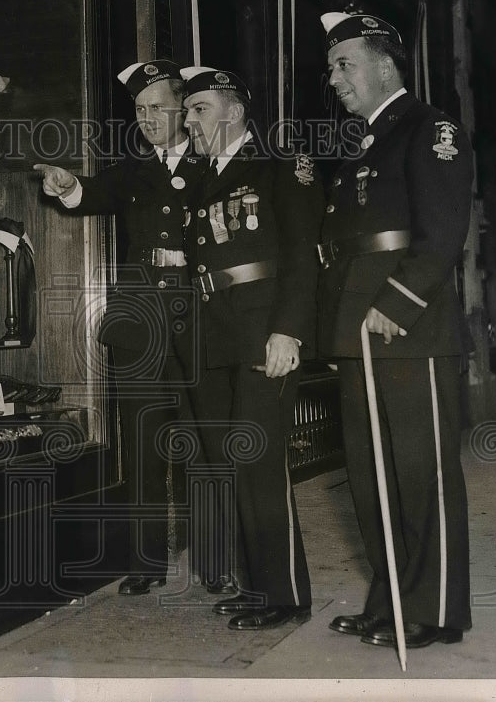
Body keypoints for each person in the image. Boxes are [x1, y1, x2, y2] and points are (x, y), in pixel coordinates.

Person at [34, 60, 223, 596]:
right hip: (138, 328)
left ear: (183, 108)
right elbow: (88, 194)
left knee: (204, 442)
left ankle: (214, 559)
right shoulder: (132, 168)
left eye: (157, 108)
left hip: (199, 322)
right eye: (139, 111)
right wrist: (67, 184)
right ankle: (144, 561)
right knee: (141, 446)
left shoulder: (215, 166)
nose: (147, 118)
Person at [318, 11, 473, 649]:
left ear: (385, 65)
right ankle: (388, 601)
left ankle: (434, 609)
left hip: (409, 329)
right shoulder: (362, 141)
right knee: (369, 473)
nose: (334, 79)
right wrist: (336, 329)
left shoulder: (428, 127)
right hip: (358, 331)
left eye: (344, 64)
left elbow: (441, 236)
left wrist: (398, 303)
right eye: (331, 67)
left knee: (418, 471)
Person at [178, 66, 323, 629]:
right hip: (214, 333)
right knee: (229, 461)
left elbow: (302, 253)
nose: (188, 121)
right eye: (188, 111)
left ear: (234, 111)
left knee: (257, 459)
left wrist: (288, 329)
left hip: (265, 331)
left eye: (200, 109)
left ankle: (285, 594)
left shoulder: (281, 164)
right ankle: (253, 584)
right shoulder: (199, 176)